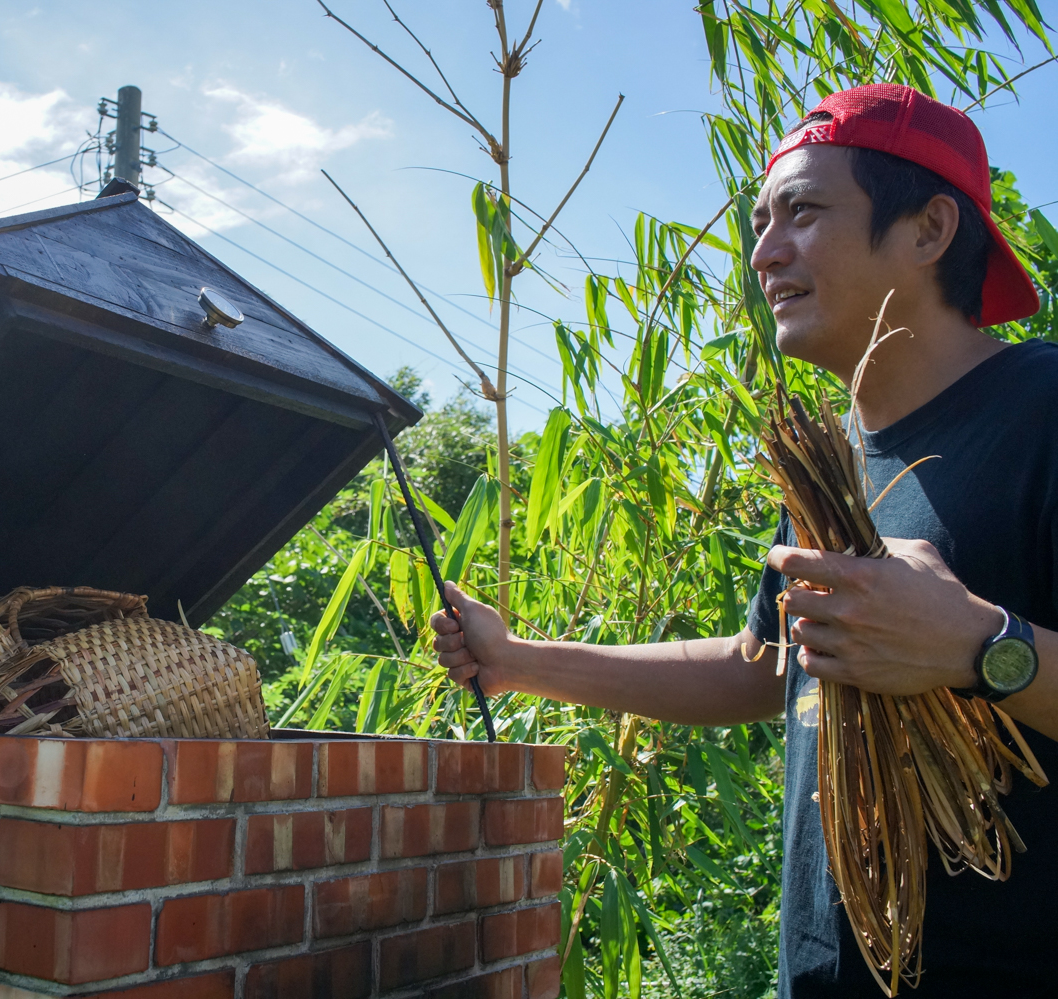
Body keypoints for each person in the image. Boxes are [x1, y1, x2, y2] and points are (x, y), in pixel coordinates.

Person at [431, 83, 1058, 998]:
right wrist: (514, 658)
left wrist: (980, 648)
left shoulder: (1042, 412)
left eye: (801, 212)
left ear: (928, 230)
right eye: (758, 223)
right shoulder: (828, 463)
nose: (763, 254)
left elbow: (977, 650)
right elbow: (761, 667)